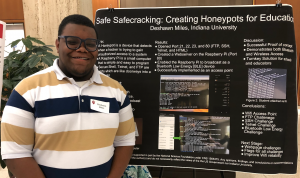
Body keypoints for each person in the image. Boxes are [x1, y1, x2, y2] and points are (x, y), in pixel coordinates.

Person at [1, 14, 135, 178]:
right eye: (72, 42)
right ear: (58, 44)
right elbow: (15, 153)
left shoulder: (117, 91)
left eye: (90, 44)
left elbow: (125, 142)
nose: (82, 49)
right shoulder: (27, 91)